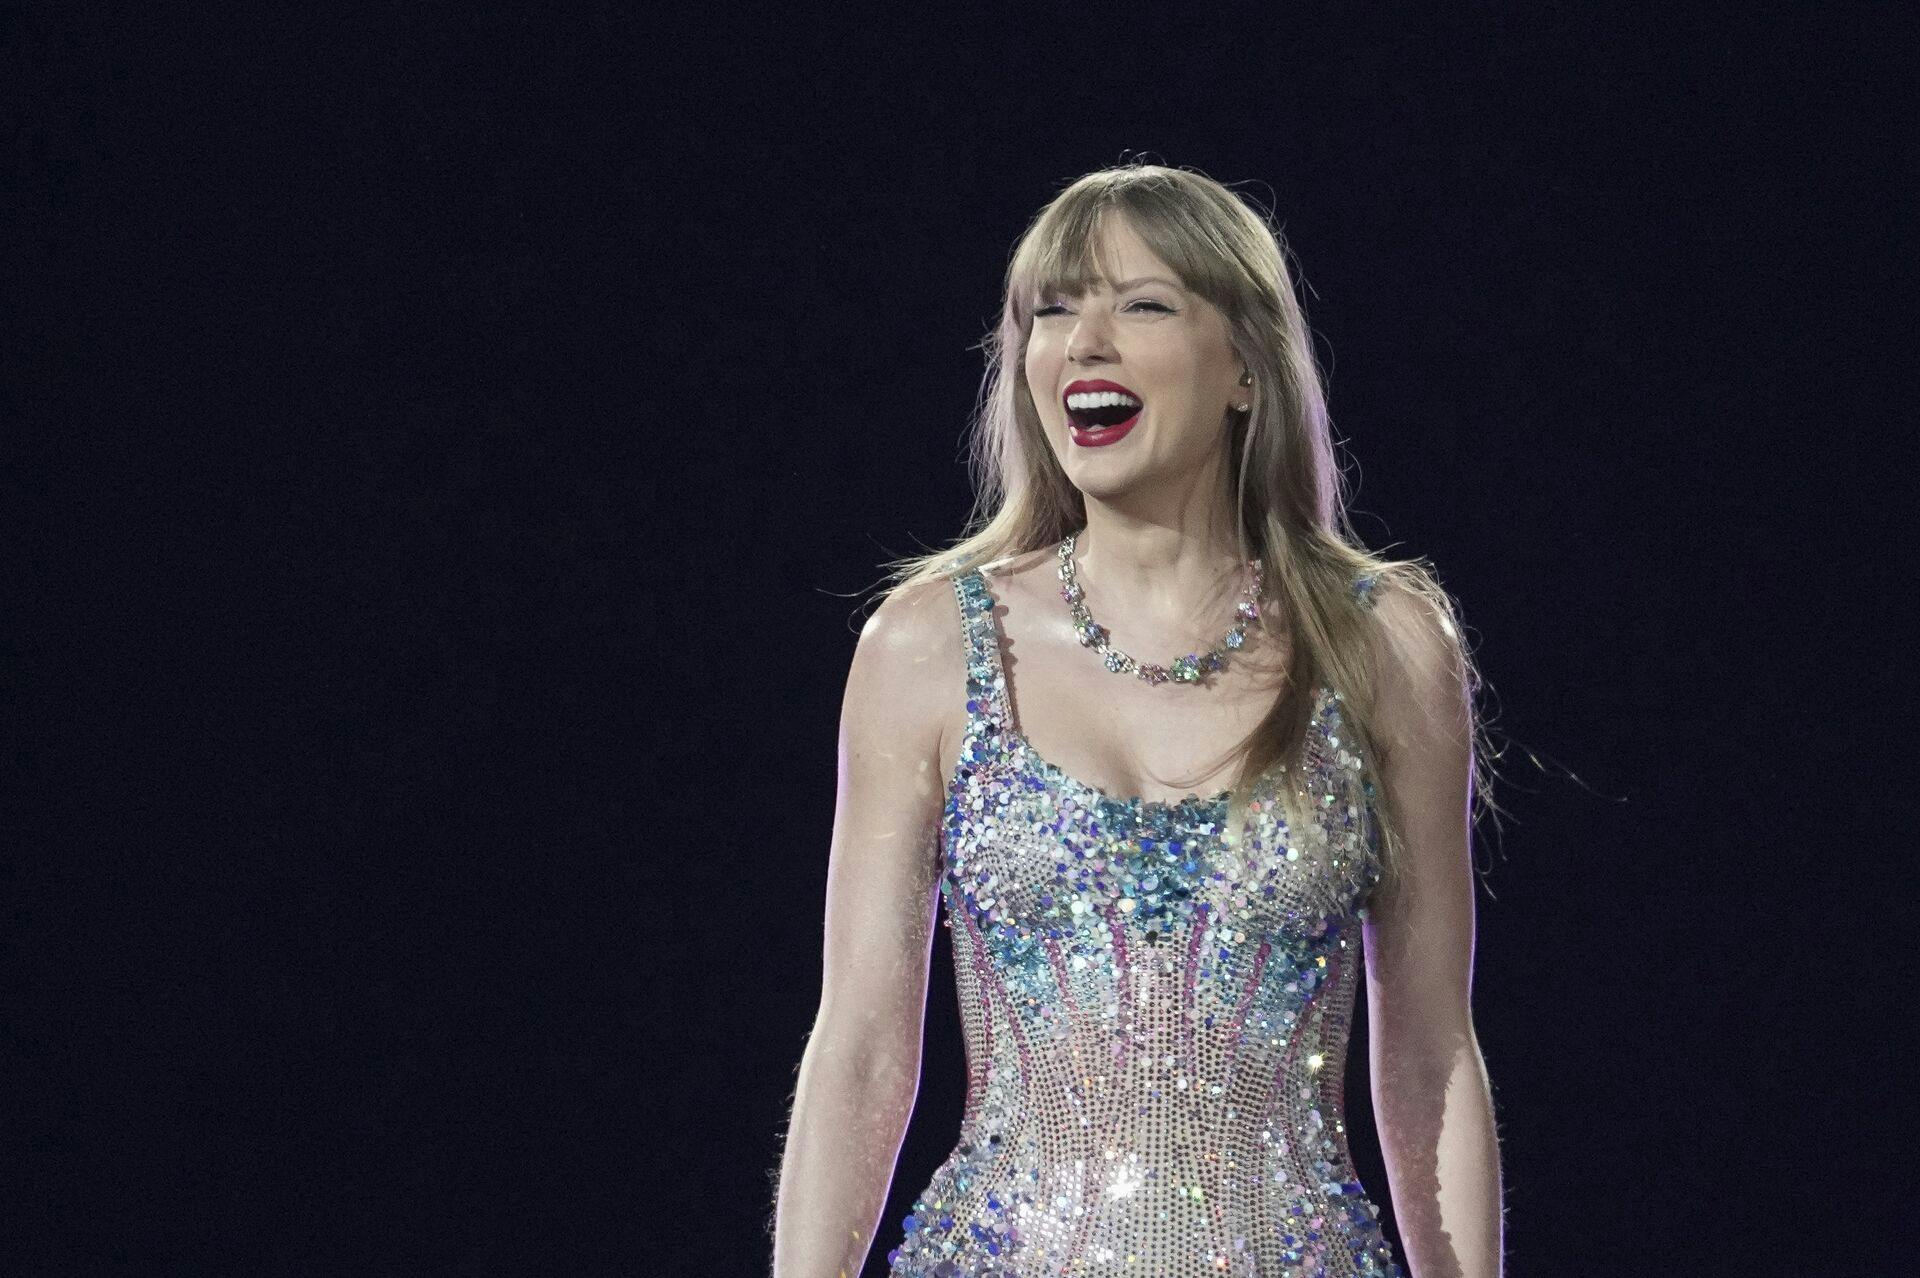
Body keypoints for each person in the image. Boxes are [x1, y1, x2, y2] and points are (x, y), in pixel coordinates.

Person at [772, 163, 1506, 1277]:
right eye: (1053, 311)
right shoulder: (927, 647)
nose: (1085, 343)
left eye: (1143, 304)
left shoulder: (1384, 646)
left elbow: (1430, 1052)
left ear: (1246, 370)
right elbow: (864, 1048)